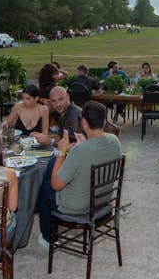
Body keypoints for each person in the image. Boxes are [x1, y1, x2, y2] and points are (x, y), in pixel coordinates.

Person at [37, 102, 122, 246]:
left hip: (77, 206)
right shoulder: (114, 141)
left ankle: (49, 238)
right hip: (102, 200)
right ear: (104, 121)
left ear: (83, 123)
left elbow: (56, 185)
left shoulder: (80, 151)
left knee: (44, 190)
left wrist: (62, 151)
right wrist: (84, 141)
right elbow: (95, 149)